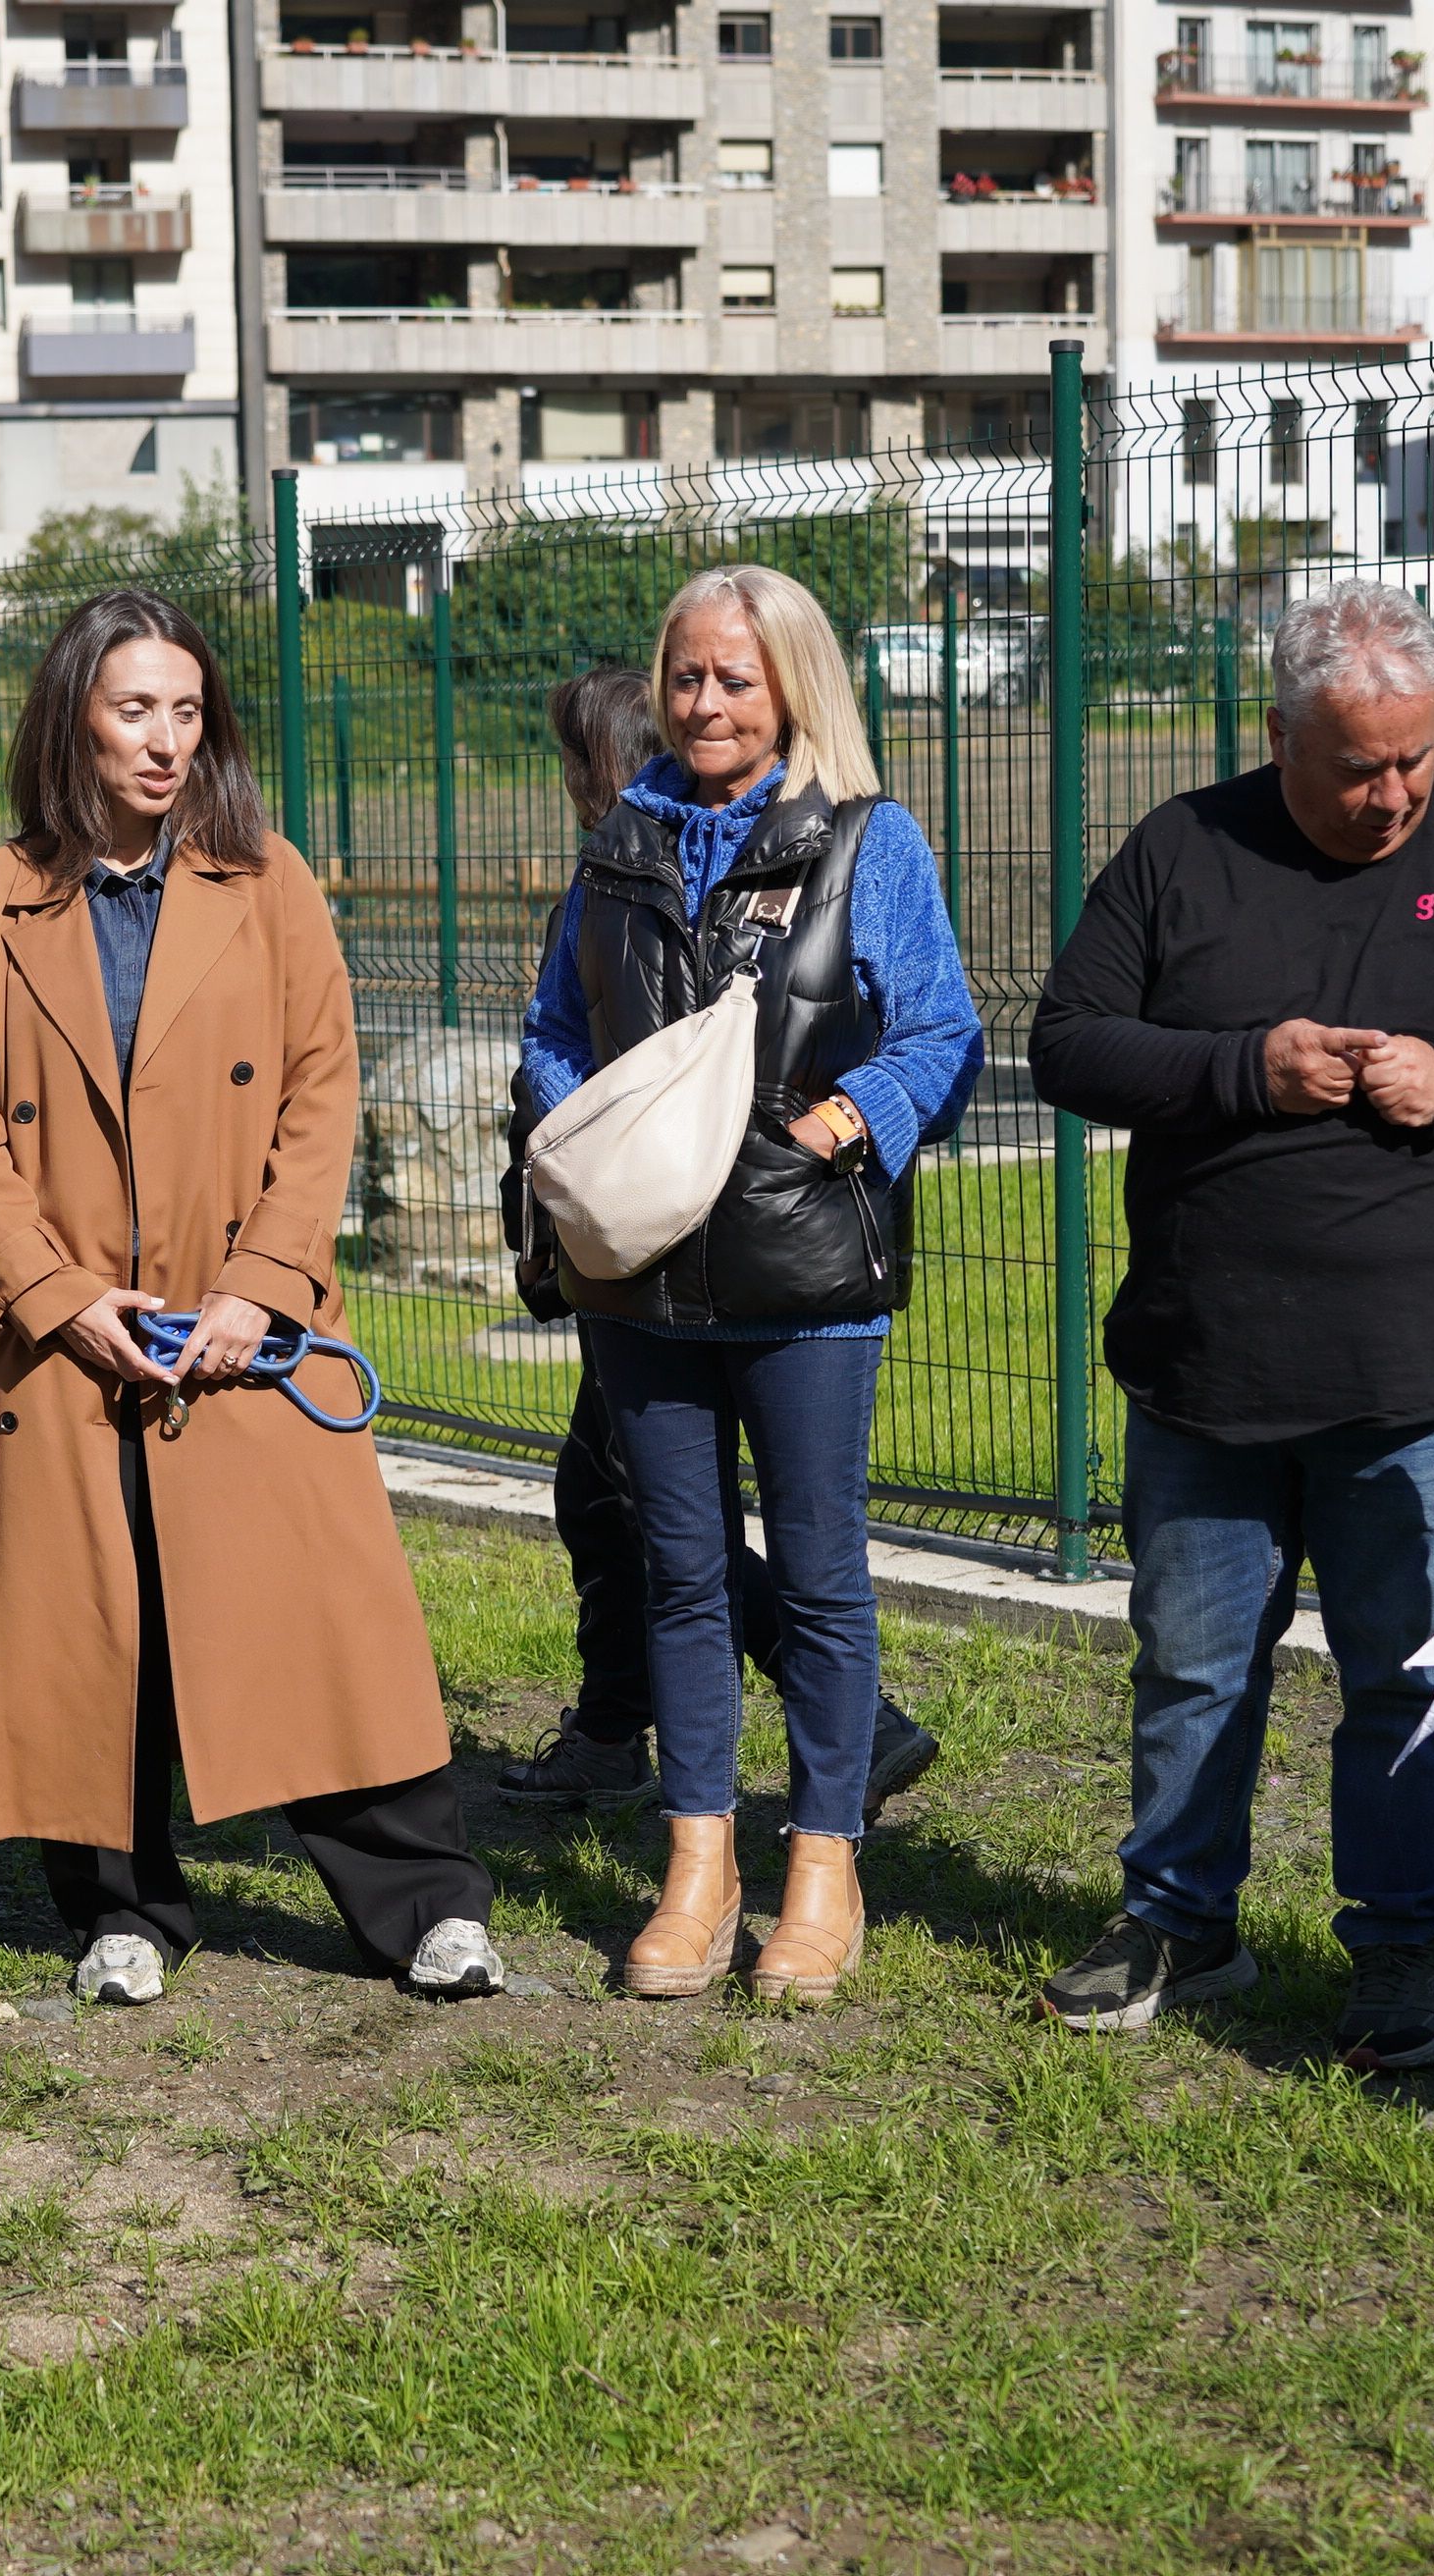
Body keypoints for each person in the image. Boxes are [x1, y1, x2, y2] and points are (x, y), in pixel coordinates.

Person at [1027, 581, 1434, 2066]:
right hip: (1207, 1368)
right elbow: (1068, 1041)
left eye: (1415, 762)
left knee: (1406, 1680)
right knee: (1193, 1665)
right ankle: (1182, 1918)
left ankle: (1401, 1952)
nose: (1392, 796)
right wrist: (1247, 1066)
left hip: (1416, 1379)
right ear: (1279, 738)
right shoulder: (1184, 850)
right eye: (1359, 766)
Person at [0, 589, 505, 2008]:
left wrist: (259, 1285)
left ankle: (422, 1904)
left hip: (247, 1313)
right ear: (74, 719)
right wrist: (58, 1296)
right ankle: (120, 1909)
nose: (168, 740)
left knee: (317, 1612)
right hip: (65, 1331)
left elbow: (321, 1089)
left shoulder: (270, 878)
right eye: (136, 710)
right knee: (89, 1623)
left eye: (188, 711)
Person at [516, 565, 983, 2004]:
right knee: (682, 1574)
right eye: (684, 676)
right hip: (637, 1275)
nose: (705, 701)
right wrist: (581, 1129)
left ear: (791, 686)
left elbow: (941, 1032)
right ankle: (700, 1864)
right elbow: (552, 1025)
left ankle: (824, 1864)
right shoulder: (618, 844)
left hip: (805, 1273)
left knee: (825, 1580)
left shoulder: (866, 842)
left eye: (734, 677)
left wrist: (839, 1130)